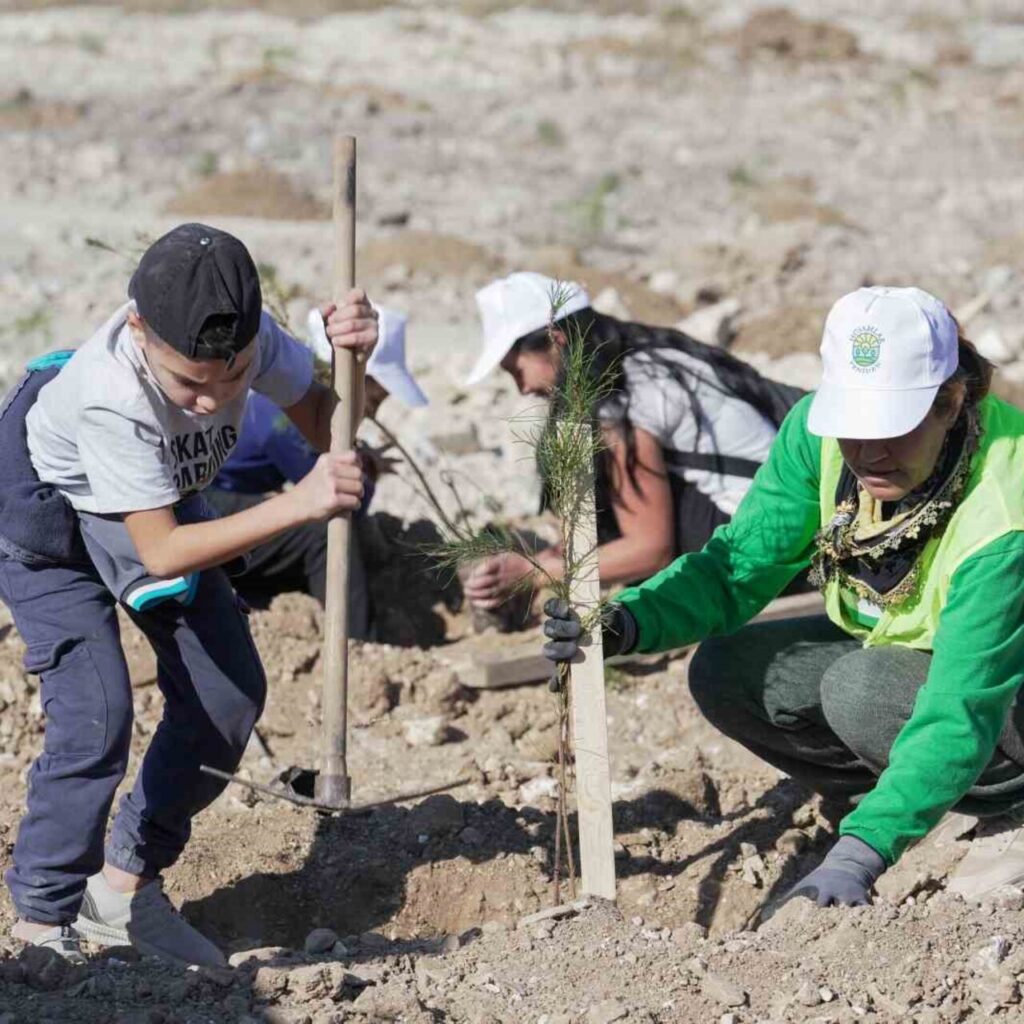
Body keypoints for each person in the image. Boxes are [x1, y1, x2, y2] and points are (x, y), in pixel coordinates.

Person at [543, 285, 1024, 906]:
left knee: (864, 689)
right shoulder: (817, 438)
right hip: (913, 656)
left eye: (892, 428)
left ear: (951, 403)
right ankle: (909, 797)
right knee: (731, 669)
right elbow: (736, 566)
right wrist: (628, 621)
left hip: (999, 692)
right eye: (854, 426)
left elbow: (962, 706)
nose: (869, 451)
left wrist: (860, 854)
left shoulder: (1005, 514)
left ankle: (1006, 805)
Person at [0, 223, 377, 965]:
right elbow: (165, 551)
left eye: (230, 380)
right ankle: (41, 923)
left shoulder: (246, 337)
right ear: (138, 330)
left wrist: (354, 358)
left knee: (228, 697)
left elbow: (335, 421)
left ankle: (122, 893)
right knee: (97, 713)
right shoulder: (109, 395)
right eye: (188, 384)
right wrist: (300, 503)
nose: (210, 403)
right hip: (46, 515)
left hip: (153, 493)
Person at [461, 271, 806, 616]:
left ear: (556, 340)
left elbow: (650, 549)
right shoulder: (641, 357)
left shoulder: (625, 398)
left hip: (771, 551)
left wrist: (535, 574)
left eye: (516, 371)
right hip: (792, 520)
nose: (522, 388)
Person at [206, 306, 427, 636]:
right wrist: (367, 472)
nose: (373, 412)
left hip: (226, 498)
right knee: (325, 532)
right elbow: (341, 497)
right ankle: (357, 645)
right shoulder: (281, 415)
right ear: (356, 380)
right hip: (210, 506)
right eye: (374, 400)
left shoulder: (288, 395)